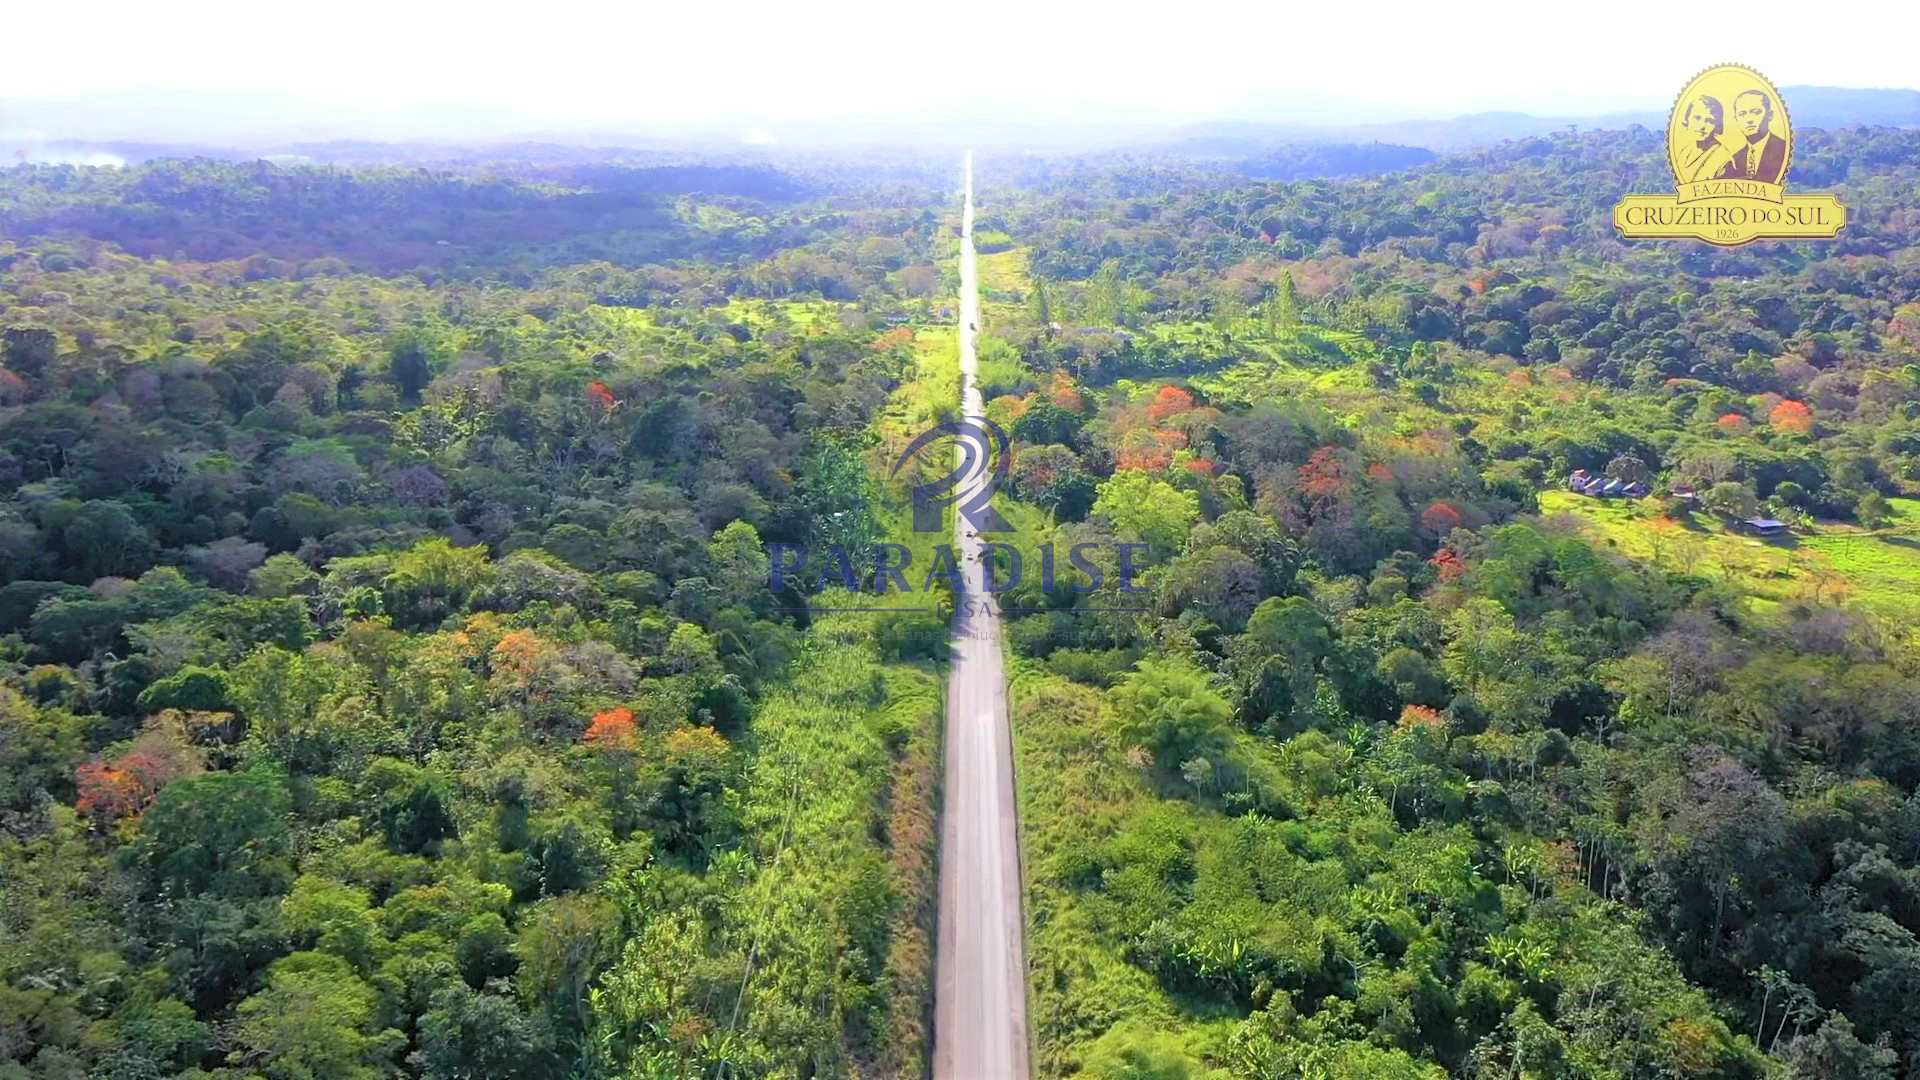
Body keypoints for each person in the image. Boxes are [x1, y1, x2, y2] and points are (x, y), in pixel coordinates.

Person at [1718, 89, 1788, 184]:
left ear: (1770, 115)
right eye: (1742, 114)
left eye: (1756, 112)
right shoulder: (1735, 159)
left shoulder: (1783, 149)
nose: (1749, 119)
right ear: (1736, 119)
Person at [1675, 95, 1737, 183]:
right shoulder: (1685, 151)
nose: (1702, 126)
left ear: (1717, 126)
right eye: (1697, 118)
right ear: (1687, 119)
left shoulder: (1723, 159)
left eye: (1709, 121)